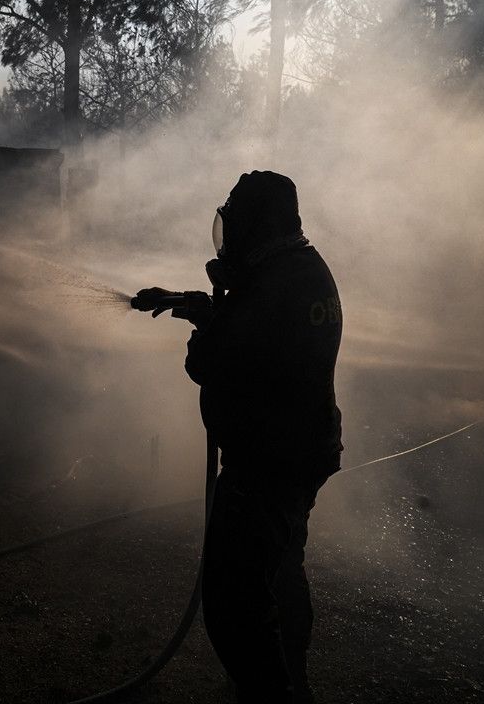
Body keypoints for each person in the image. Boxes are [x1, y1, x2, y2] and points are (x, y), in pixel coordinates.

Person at [139, 170, 342, 703]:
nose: (228, 236)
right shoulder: (302, 268)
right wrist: (207, 303)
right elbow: (262, 340)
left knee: (236, 605)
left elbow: (210, 361)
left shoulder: (272, 286)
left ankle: (270, 693)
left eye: (236, 224)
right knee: (280, 577)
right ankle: (292, 683)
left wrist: (214, 310)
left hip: (265, 466)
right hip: (299, 454)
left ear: (256, 226)